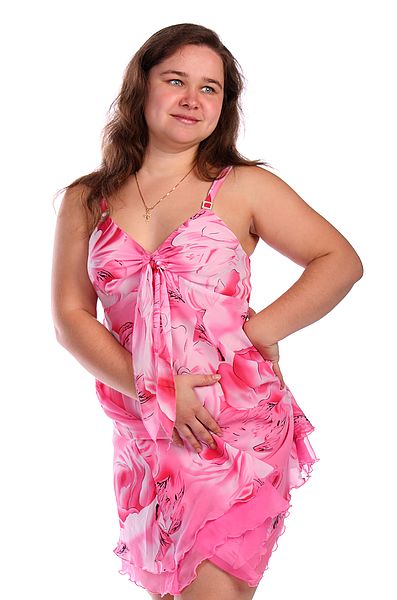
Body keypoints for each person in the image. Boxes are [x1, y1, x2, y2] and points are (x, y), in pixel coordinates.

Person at [51, 22, 363, 600]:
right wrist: (153, 389)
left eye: (211, 88)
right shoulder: (84, 199)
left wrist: (257, 333)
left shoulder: (243, 186)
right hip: (143, 428)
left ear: (225, 104)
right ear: (141, 88)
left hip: (229, 421)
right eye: (176, 80)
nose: (193, 99)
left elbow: (339, 260)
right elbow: (72, 316)